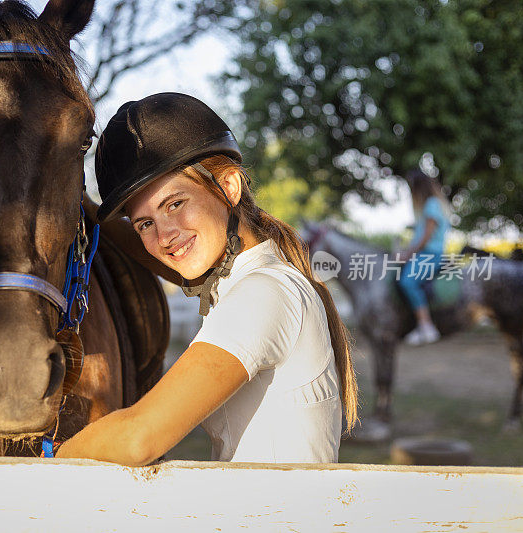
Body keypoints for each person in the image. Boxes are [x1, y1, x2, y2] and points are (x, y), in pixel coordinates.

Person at [56, 92, 358, 466]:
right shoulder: (252, 281)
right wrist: (81, 203)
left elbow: (139, 438)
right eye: (146, 223)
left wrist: (52, 458)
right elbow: (146, 246)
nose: (165, 235)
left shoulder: (263, 294)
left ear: (229, 187)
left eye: (175, 204)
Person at [398, 169, 451, 345]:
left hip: (431, 254)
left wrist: (407, 254)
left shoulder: (431, 205)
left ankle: (426, 326)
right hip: (426, 253)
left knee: (407, 282)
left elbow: (426, 237)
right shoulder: (432, 205)